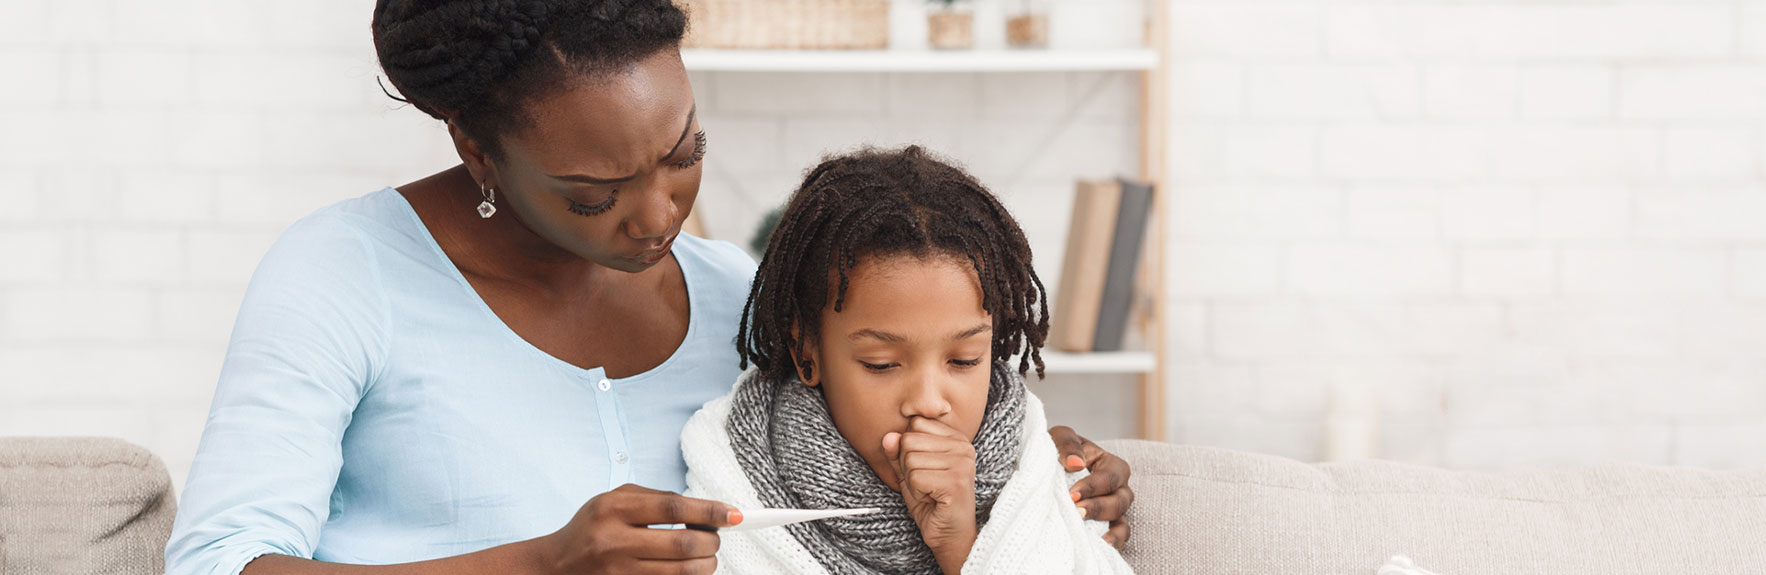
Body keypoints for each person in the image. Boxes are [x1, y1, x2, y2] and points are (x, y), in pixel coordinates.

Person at [164, 1, 1134, 574]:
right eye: (594, 194)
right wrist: (538, 563)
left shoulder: (747, 298)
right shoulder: (344, 272)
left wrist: (1031, 476)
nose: (658, 214)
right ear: (476, 147)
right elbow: (218, 562)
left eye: (683, 154)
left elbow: (878, 480)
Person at [682, 146, 1133, 574]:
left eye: (964, 360)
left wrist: (961, 546)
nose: (929, 402)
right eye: (881, 364)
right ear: (806, 354)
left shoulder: (1035, 470)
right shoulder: (731, 469)